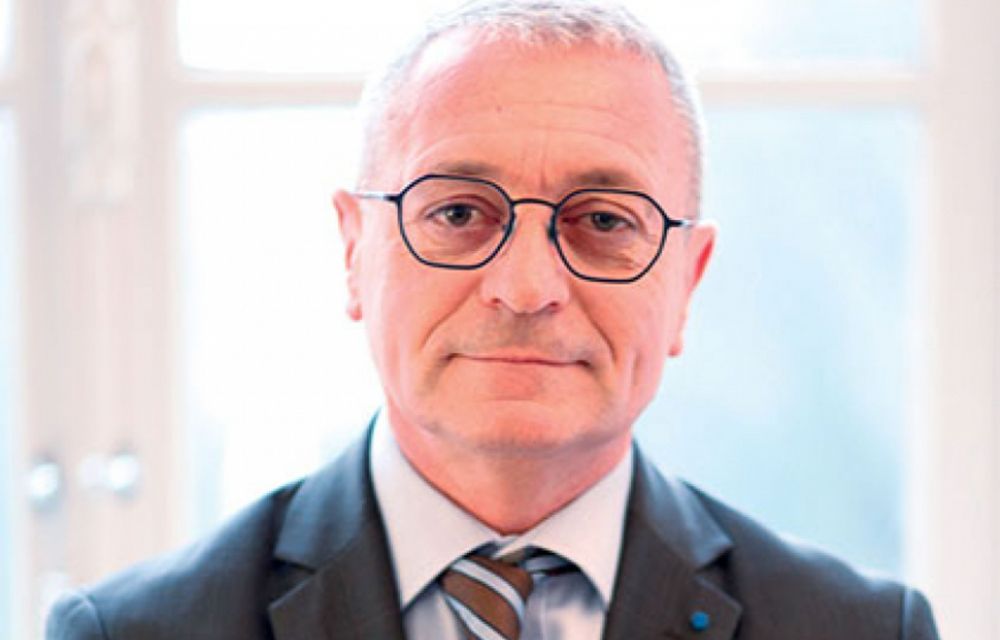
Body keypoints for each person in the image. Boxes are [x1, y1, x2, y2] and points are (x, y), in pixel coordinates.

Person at [47, 1, 940, 639]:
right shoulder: (131, 632)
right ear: (354, 252)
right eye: (458, 213)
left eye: (603, 222)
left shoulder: (863, 630)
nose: (525, 286)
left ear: (687, 281)